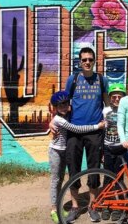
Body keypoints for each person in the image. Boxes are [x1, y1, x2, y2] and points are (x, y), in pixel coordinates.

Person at [50, 47, 109, 223]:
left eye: (90, 59)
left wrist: (110, 122)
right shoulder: (73, 79)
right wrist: (53, 120)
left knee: (94, 170)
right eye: (84, 60)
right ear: (80, 61)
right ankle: (75, 207)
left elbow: (106, 104)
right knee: (73, 169)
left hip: (95, 133)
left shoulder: (101, 80)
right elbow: (62, 103)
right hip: (73, 132)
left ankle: (92, 206)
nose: (87, 62)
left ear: (94, 61)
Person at [48, 91, 105, 224]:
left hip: (66, 149)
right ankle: (57, 209)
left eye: (66, 103)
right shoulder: (61, 118)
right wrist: (98, 126)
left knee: (65, 177)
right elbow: (75, 128)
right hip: (57, 150)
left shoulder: (66, 114)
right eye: (60, 105)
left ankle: (91, 206)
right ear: (56, 106)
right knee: (59, 178)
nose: (64, 106)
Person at [101, 83, 127, 221]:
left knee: (119, 178)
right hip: (108, 147)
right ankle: (106, 204)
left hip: (120, 148)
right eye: (114, 97)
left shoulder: (126, 111)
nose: (117, 99)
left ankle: (117, 205)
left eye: (119, 97)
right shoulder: (105, 111)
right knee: (107, 178)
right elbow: (102, 129)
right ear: (110, 98)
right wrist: (102, 152)